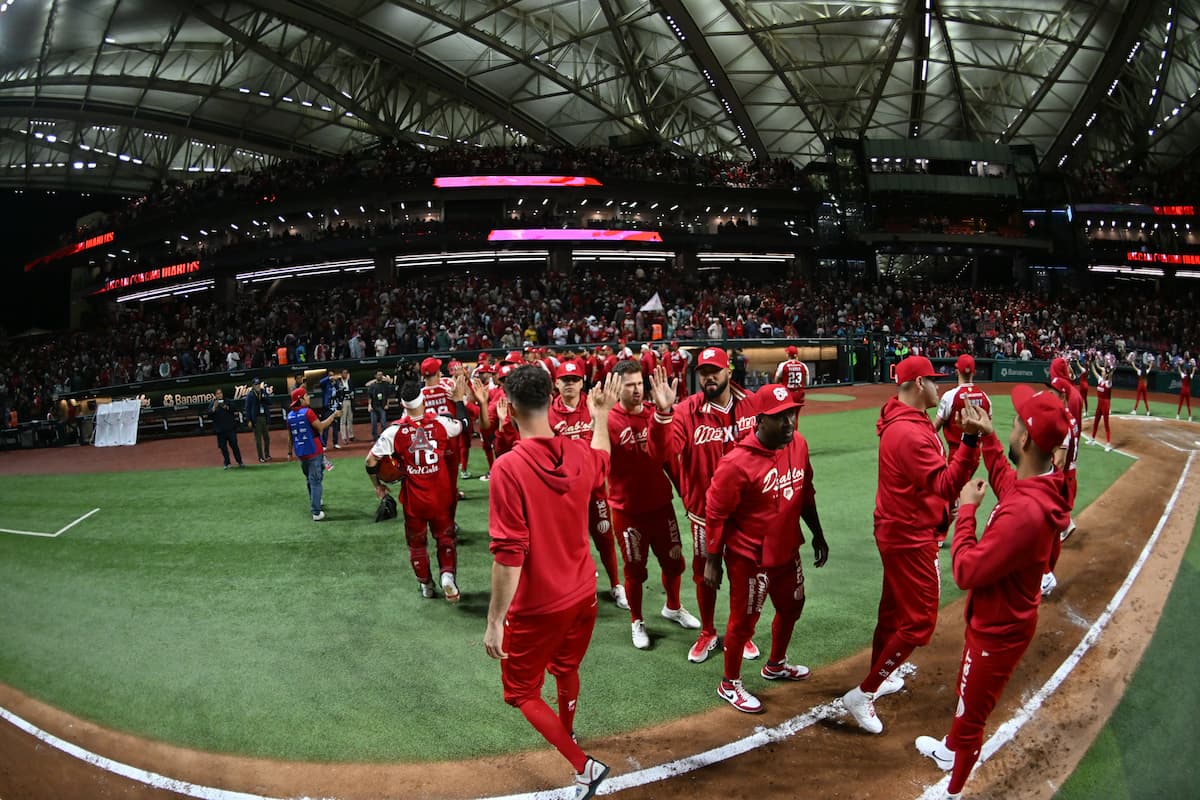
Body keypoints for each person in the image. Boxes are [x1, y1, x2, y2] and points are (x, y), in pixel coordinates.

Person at [915, 386, 1071, 800]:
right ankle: (948, 751)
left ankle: (953, 791)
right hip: (996, 618)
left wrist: (966, 509)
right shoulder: (1037, 484)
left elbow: (966, 570)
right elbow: (1005, 476)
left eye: (1016, 423)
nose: (1012, 426)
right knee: (965, 696)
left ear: (1028, 439)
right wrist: (987, 436)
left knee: (972, 719)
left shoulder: (1026, 513)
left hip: (999, 630)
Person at [483, 367, 621, 800]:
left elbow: (509, 555)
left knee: (522, 691)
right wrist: (601, 416)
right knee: (566, 668)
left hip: (538, 607)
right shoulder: (578, 452)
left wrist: (494, 621)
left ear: (509, 409)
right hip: (584, 595)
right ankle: (567, 731)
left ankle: (584, 767)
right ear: (550, 399)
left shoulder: (508, 468)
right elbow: (602, 459)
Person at [841, 355, 984, 734]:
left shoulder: (913, 421)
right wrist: (971, 440)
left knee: (892, 612)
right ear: (919, 384)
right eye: (933, 380)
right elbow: (945, 484)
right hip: (909, 535)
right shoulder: (909, 432)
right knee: (920, 622)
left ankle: (879, 676)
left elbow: (934, 485)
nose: (939, 386)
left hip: (902, 527)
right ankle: (863, 694)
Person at [662, 346, 805, 663]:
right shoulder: (686, 411)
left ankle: (743, 633)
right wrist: (662, 416)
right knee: (705, 573)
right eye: (703, 373)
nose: (709, 378)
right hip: (705, 512)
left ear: (728, 370)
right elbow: (664, 452)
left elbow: (778, 442)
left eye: (714, 371)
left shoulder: (753, 403)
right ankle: (708, 631)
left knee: (747, 578)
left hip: (748, 514)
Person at [704, 385, 829, 713]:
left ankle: (776, 664)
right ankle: (729, 683)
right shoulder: (735, 463)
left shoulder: (798, 444)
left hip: (787, 549)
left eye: (791, 414)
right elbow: (716, 513)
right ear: (759, 420)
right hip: (750, 557)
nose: (789, 422)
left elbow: (806, 492)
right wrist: (712, 561)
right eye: (779, 417)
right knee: (743, 623)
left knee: (792, 606)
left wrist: (817, 534)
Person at [606, 359, 699, 650]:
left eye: (639, 383)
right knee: (635, 570)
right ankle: (637, 620)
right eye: (629, 385)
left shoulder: (654, 413)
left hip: (660, 505)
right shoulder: (607, 420)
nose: (637, 389)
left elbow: (670, 460)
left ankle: (673, 607)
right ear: (617, 387)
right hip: (627, 510)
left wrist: (685, 496)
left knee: (674, 561)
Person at [365, 377, 472, 600]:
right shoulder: (442, 423)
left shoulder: (394, 432)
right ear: (423, 400)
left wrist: (379, 486)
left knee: (416, 544)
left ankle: (426, 585)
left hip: (414, 500)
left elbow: (370, 461)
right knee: (445, 538)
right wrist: (458, 401)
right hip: (441, 496)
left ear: (402, 404)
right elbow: (465, 424)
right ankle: (447, 577)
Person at [549, 359, 625, 608]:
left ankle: (616, 584)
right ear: (557, 383)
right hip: (565, 490)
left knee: (604, 535)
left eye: (574, 380)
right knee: (570, 541)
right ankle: (577, 586)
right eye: (565, 380)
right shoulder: (549, 412)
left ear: (582, 382)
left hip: (594, 487)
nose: (570, 384)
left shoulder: (595, 404)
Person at [286, 386, 341, 521]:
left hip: (301, 453)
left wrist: (289, 452)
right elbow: (320, 427)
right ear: (300, 399)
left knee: (310, 479)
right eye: (306, 396)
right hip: (314, 451)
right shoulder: (308, 412)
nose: (309, 397)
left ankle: (315, 500)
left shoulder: (290, 416)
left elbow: (290, 437)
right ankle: (316, 512)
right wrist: (333, 416)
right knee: (316, 480)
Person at [209, 389, 245, 470]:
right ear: (215, 395)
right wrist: (214, 408)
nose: (219, 395)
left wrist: (226, 407)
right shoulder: (213, 403)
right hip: (220, 431)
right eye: (217, 394)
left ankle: (240, 462)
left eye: (220, 393)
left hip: (230, 429)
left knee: (234, 446)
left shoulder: (228, 401)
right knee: (223, 448)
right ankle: (227, 463)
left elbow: (235, 408)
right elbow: (209, 414)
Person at [243, 378, 272, 463]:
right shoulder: (250, 395)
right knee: (258, 439)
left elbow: (270, 402)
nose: (258, 386)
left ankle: (267, 454)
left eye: (258, 384)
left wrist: (264, 397)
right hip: (256, 419)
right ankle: (260, 457)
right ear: (253, 386)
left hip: (264, 417)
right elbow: (247, 408)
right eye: (256, 384)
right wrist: (249, 420)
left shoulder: (263, 392)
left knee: (267, 438)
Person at [1089, 357, 1114, 451]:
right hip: (1099, 403)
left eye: (1103, 372)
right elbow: (1094, 371)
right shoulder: (1100, 380)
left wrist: (1111, 371)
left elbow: (1110, 376)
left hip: (1105, 404)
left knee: (1106, 424)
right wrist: (1091, 362)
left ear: (1106, 374)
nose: (1102, 372)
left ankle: (1108, 444)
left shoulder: (1108, 383)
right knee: (1096, 421)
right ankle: (1092, 439)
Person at [365, 370, 395, 441]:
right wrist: (369, 405)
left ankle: (384, 437)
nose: (380, 376)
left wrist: (387, 404)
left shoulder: (385, 385)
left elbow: (388, 395)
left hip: (382, 406)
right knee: (374, 424)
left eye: (381, 375)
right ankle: (375, 437)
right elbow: (369, 396)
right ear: (375, 376)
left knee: (383, 423)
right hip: (374, 406)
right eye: (378, 375)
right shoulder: (372, 385)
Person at [338, 368, 356, 444]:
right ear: (341, 374)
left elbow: (353, 390)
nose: (345, 374)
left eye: (346, 373)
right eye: (344, 373)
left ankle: (351, 436)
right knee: (343, 420)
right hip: (343, 401)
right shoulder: (339, 382)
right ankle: (344, 437)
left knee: (350, 419)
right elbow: (338, 392)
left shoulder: (350, 381)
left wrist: (351, 394)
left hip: (350, 401)